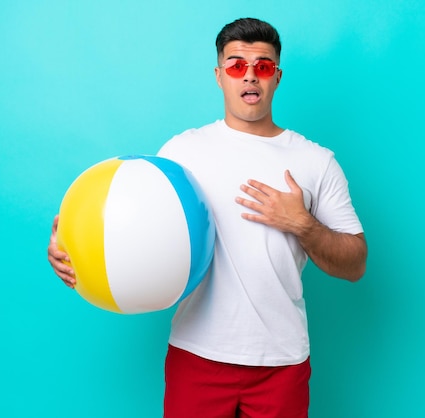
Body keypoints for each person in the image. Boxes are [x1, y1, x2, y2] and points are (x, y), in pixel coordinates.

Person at [48, 17, 367, 418]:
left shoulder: (315, 162)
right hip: (196, 355)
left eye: (263, 67)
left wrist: (301, 223)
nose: (250, 77)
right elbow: (135, 228)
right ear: (219, 75)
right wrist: (72, 247)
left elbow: (356, 263)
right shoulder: (182, 152)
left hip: (282, 363)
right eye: (237, 65)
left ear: (277, 77)